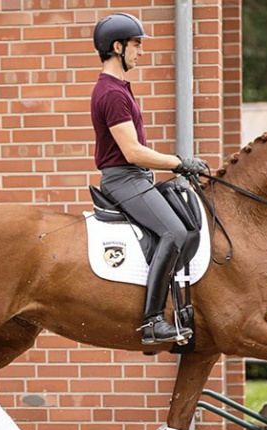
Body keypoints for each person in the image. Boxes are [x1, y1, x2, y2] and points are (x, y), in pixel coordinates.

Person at [91, 13, 208, 346]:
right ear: (118, 47)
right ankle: (153, 321)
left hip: (135, 178)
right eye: (136, 44)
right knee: (174, 231)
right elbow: (132, 151)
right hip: (125, 179)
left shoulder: (119, 89)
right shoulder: (111, 93)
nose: (141, 51)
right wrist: (179, 162)